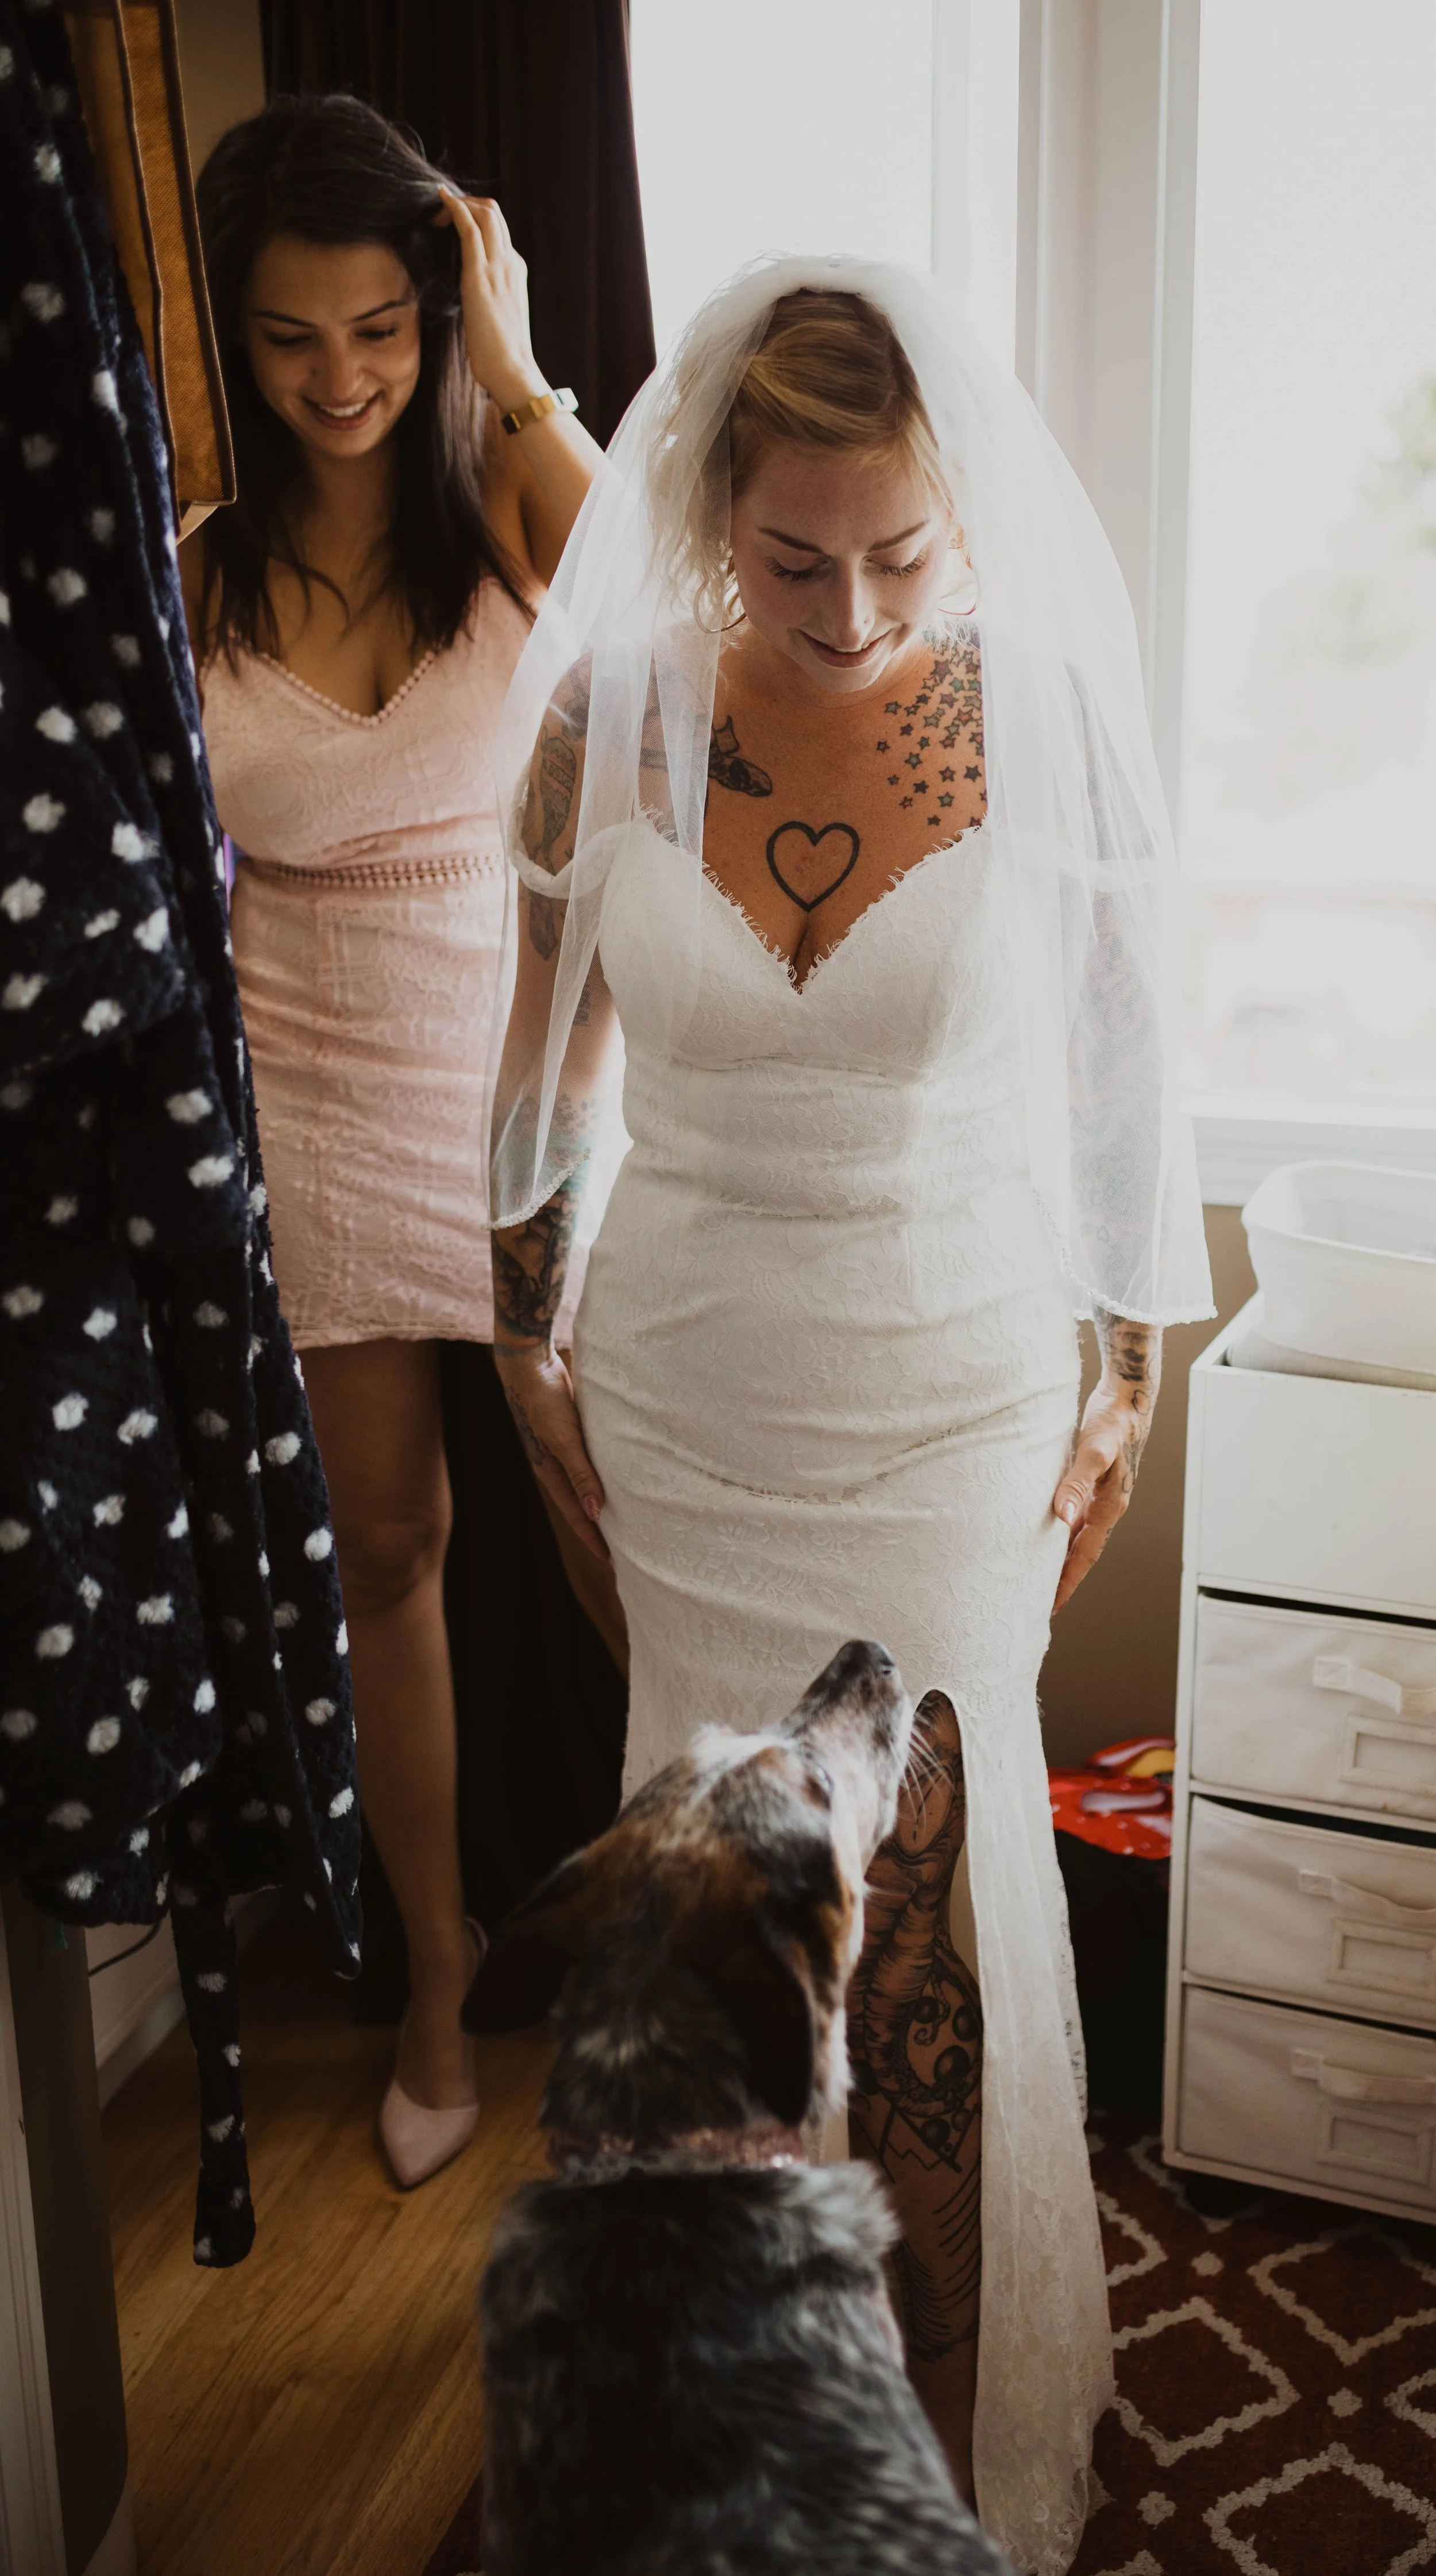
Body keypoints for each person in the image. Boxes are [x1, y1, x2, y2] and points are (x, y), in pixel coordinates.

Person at [484, 264, 1214, 2574]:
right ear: (710, 508)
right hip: (691, 1392)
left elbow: (1114, 1094)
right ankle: (722, 2411)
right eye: (796, 557)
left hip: (951, 1383)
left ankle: (944, 2407)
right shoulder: (599, 716)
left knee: (936, 1923)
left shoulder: (1042, 720)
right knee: (711, 1921)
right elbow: (545, 1080)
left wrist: (1127, 1365)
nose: (853, 605)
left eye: (901, 553)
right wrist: (530, 1340)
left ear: (961, 516)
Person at [182, 96, 616, 2190]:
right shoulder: (191, 569)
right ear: (226, 337)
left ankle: (694, 1984)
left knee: (630, 1550)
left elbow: (673, 637)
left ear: (436, 311)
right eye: (289, 339)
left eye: (381, 327)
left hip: (533, 1070)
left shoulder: (513, 496)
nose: (343, 379)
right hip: (314, 1096)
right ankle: (433, 1985)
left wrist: (515, 365)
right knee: (391, 1553)